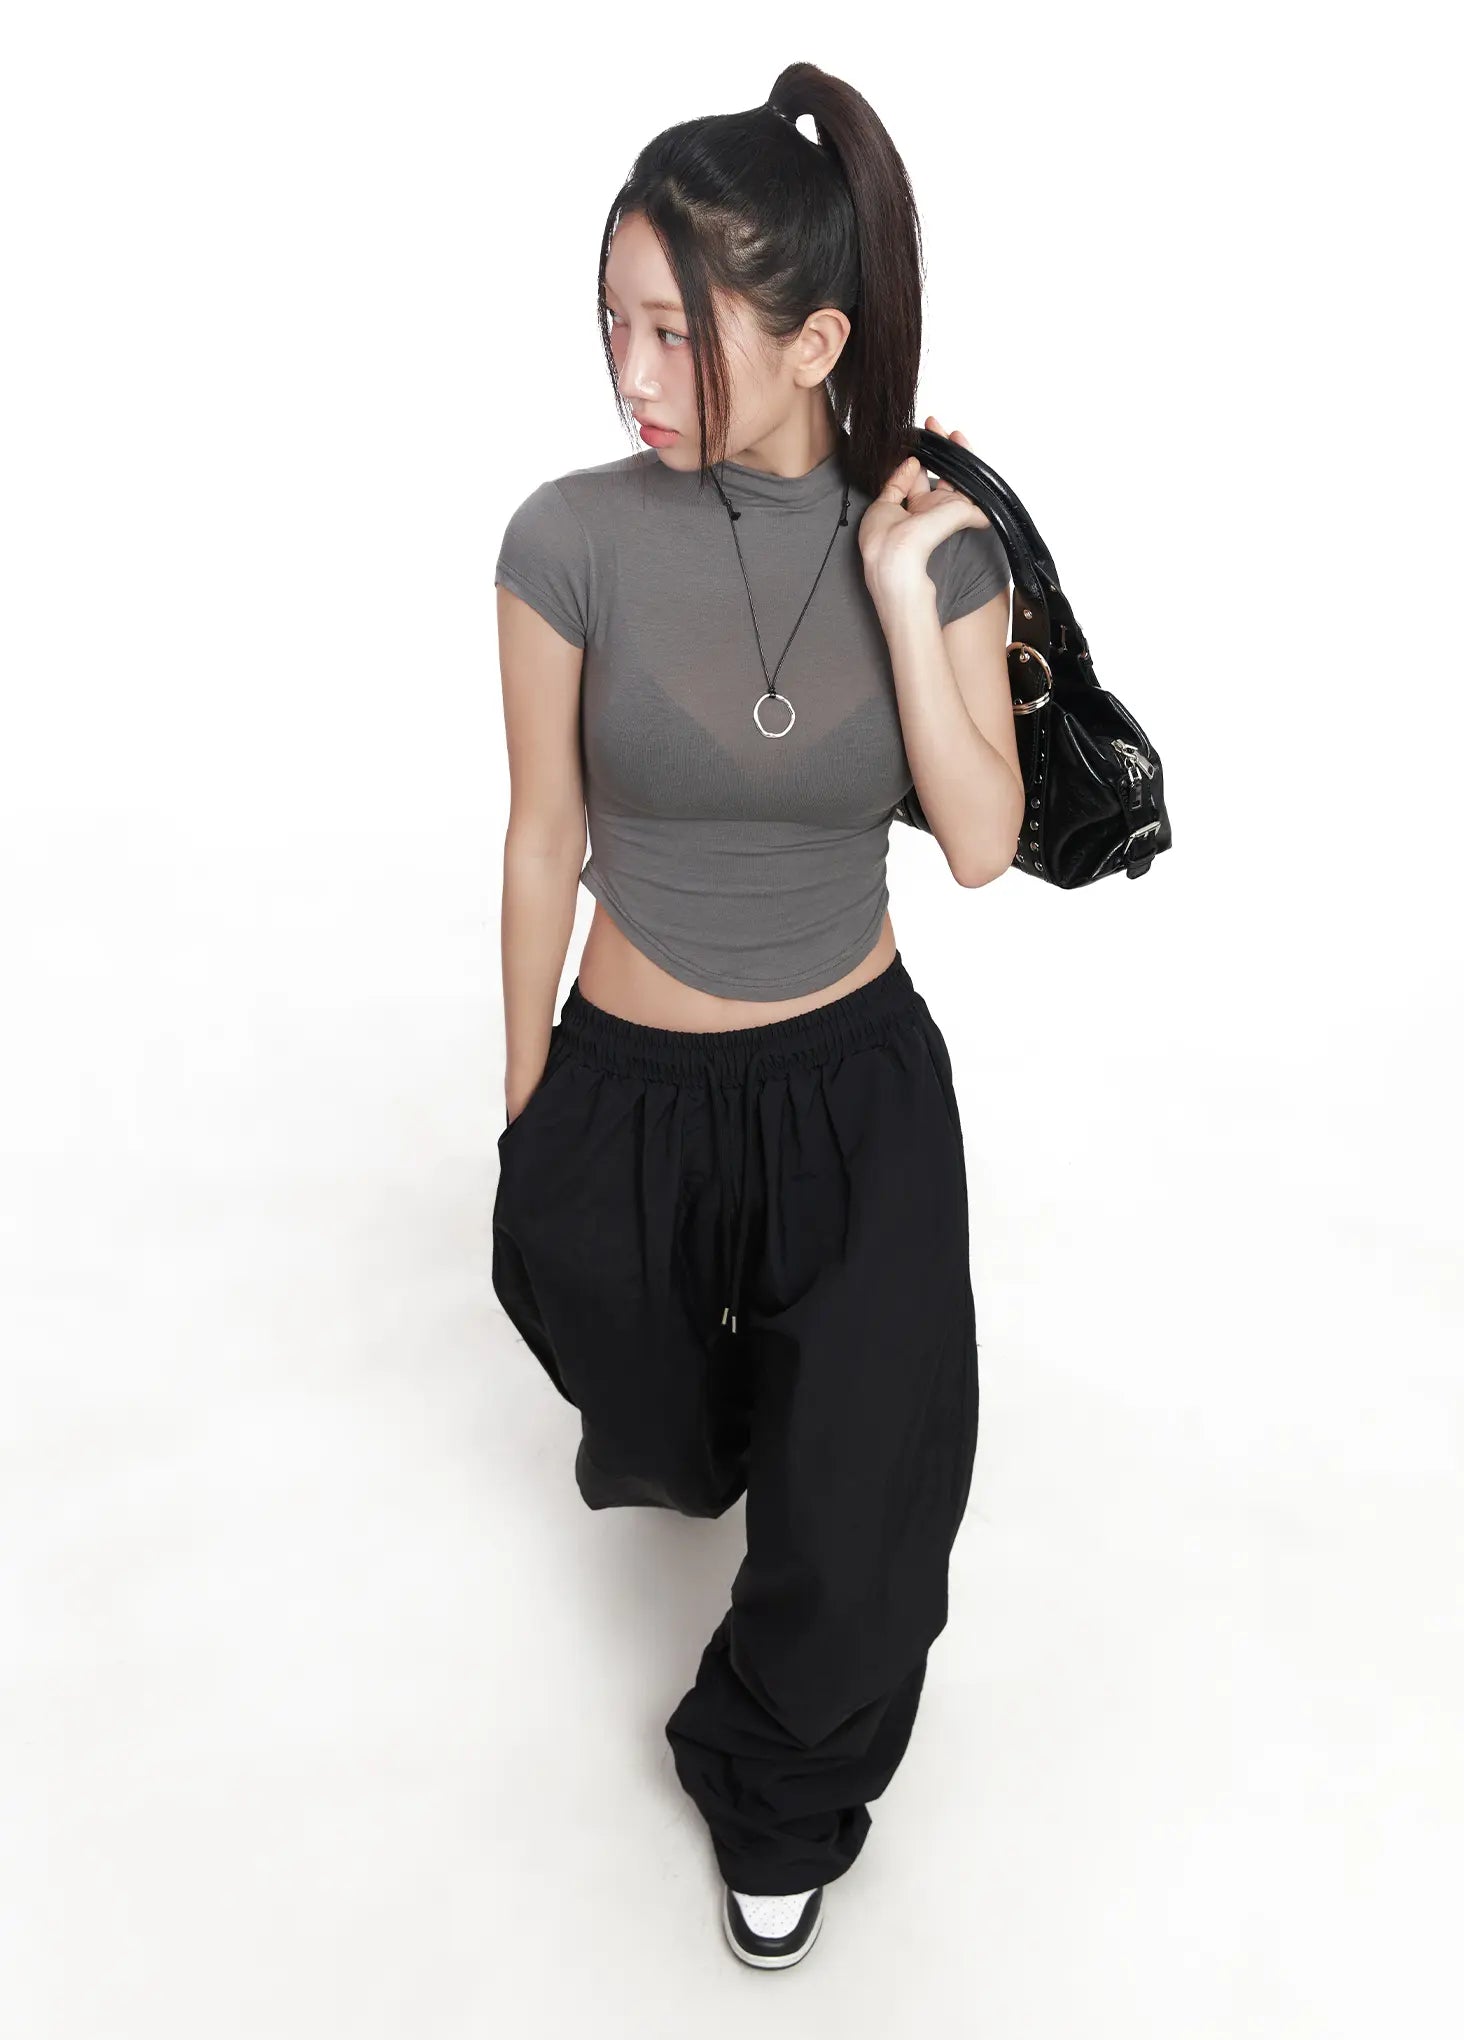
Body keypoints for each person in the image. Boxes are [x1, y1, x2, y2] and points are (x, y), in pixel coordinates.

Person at [490, 63, 1023, 1970]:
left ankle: (776, 1784)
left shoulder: (935, 542)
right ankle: (725, 1423)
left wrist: (901, 577)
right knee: (656, 1427)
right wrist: (530, 1116)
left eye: (678, 332)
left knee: (870, 1510)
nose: (632, 372)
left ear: (815, 340)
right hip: (626, 1096)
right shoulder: (564, 538)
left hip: (854, 1098)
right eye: (614, 322)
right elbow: (543, 833)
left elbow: (981, 842)